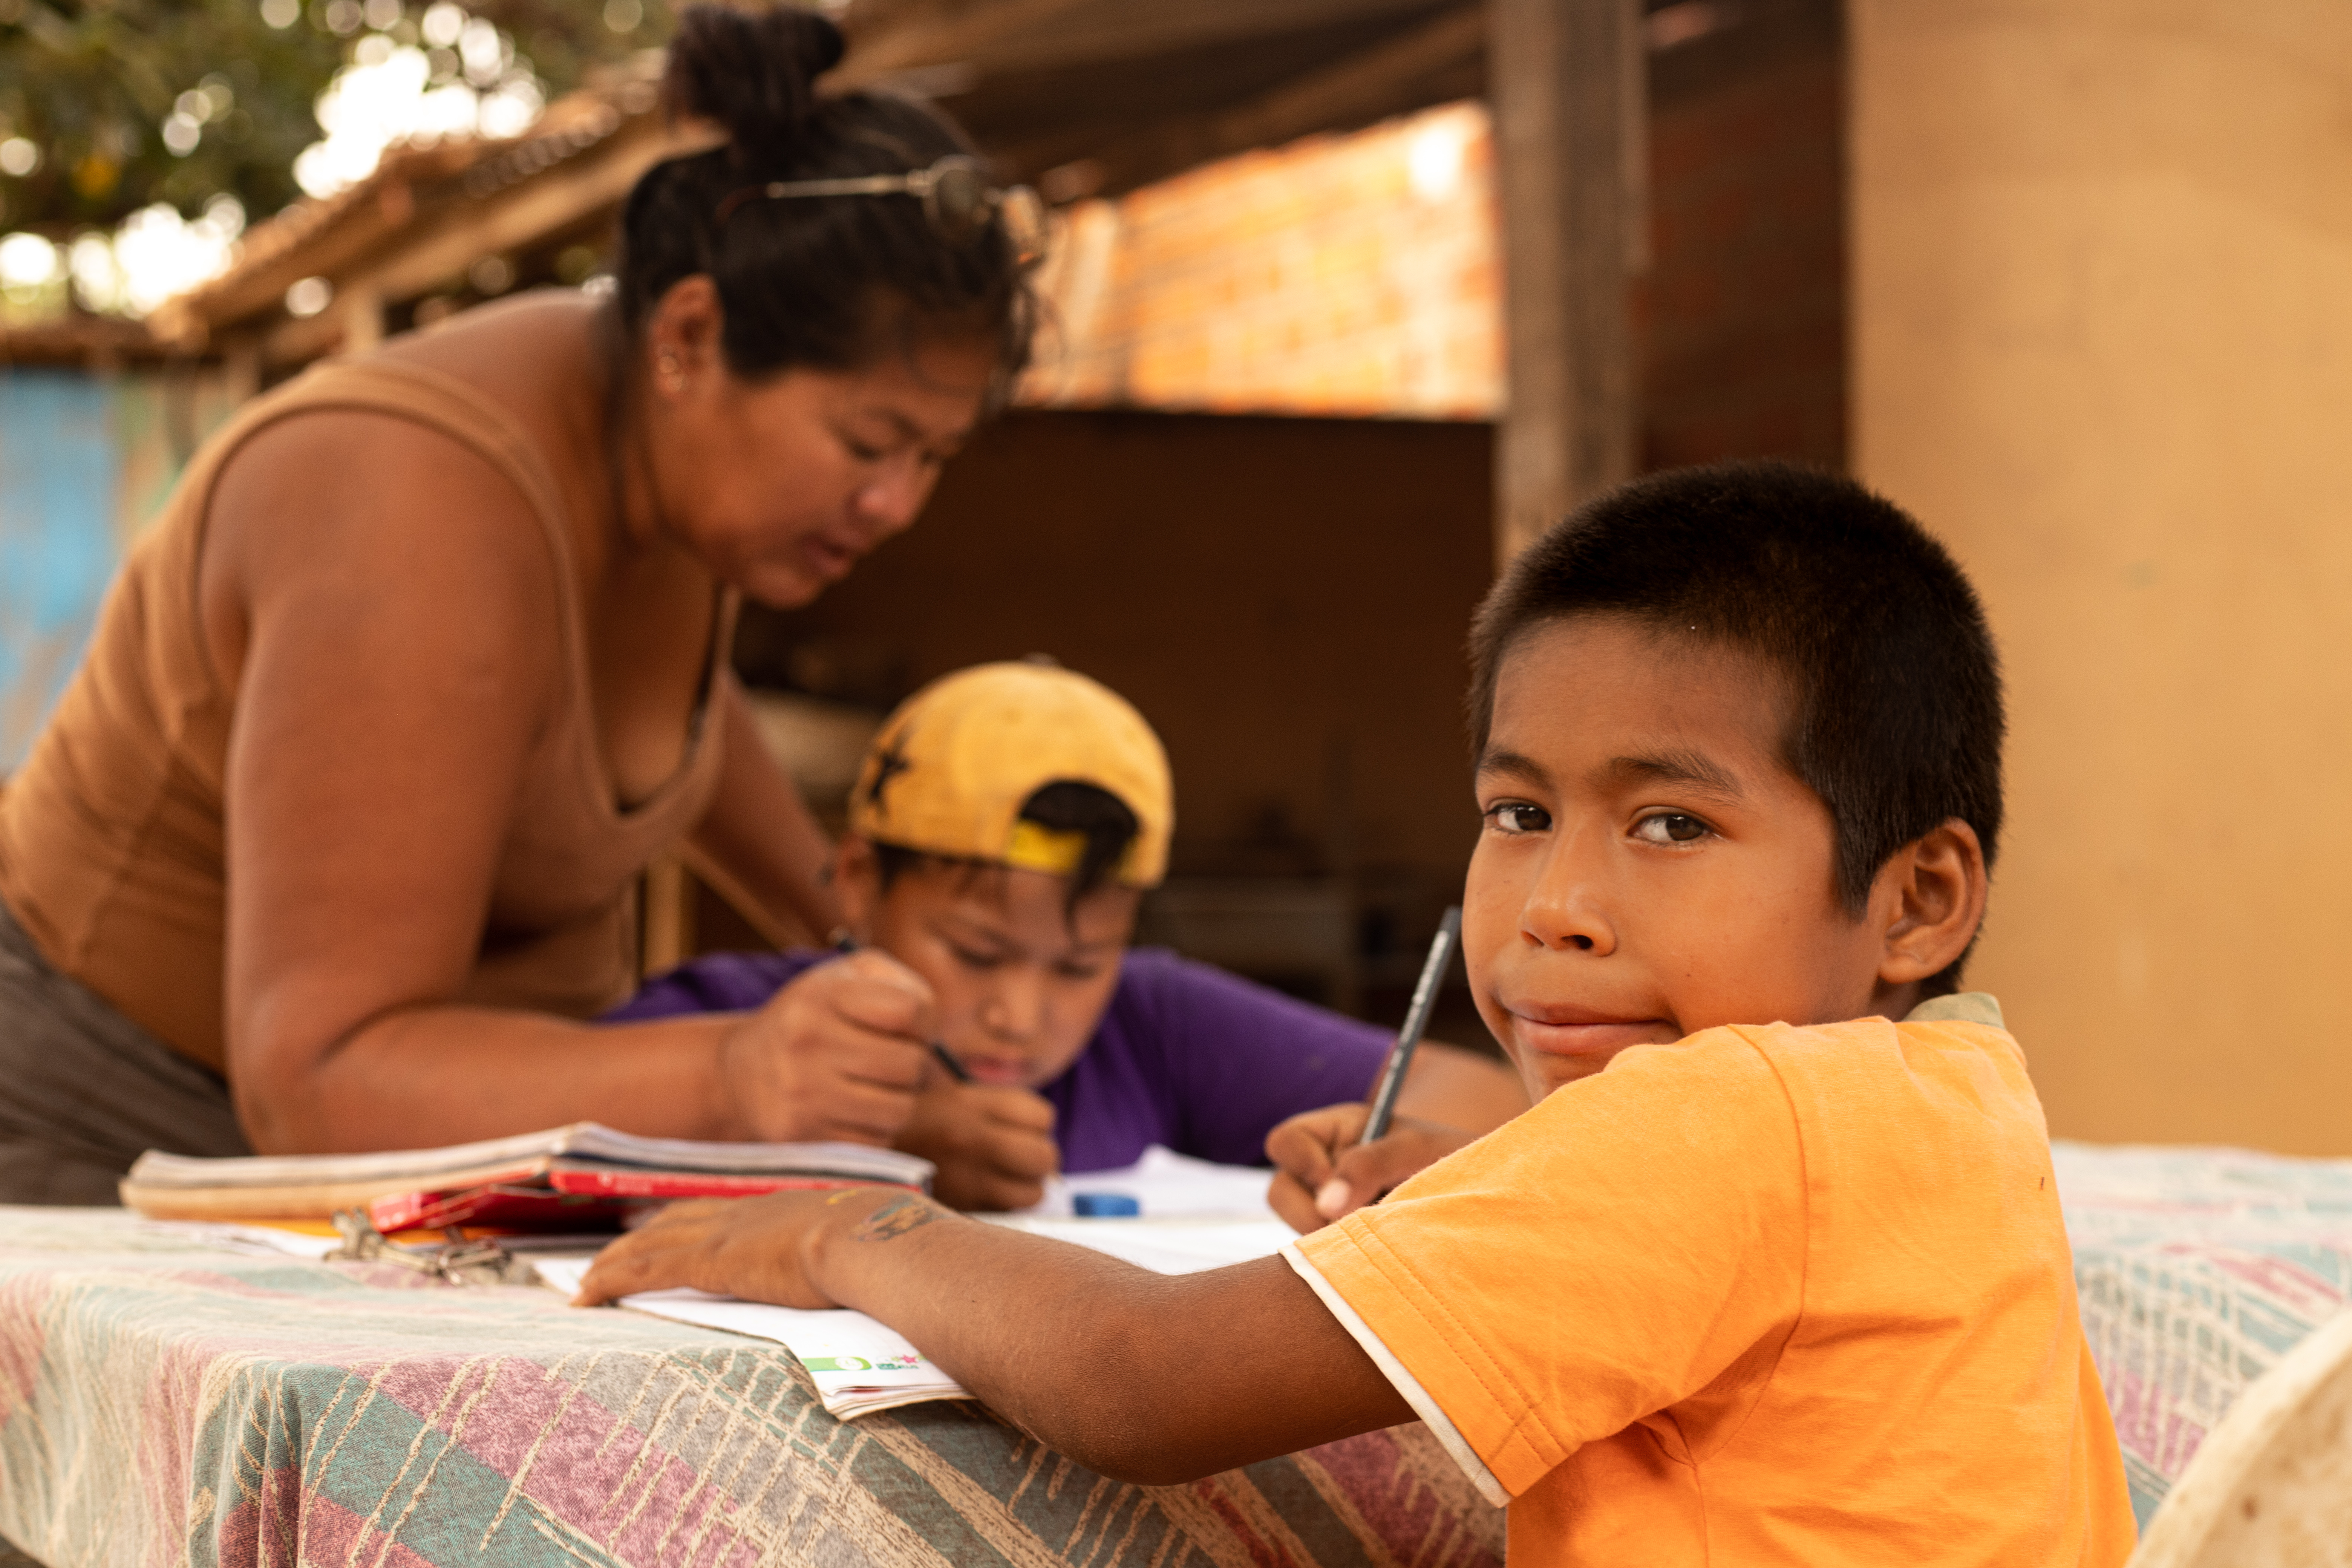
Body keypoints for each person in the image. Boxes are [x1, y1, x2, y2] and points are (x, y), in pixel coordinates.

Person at [577, 464, 2138, 1563]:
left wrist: (845, 1236)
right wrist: (1486, 1194)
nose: (1555, 904)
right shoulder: (1958, 1095)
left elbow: (1147, 1378)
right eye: (1519, 809)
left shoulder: (1730, 1113)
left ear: (1920, 897)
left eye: (1670, 823)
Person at [0, 3, 1040, 1202]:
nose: (896, 504)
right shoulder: (409, 513)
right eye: (872, 443)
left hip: (429, 1167)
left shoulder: (674, 482)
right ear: (691, 335)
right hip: (109, 1153)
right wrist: (742, 1080)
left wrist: (865, 942)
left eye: (935, 460)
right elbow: (319, 1078)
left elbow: (669, 733)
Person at [605, 660, 1527, 1210]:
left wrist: (1373, 1143)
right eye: (974, 952)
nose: (1020, 1013)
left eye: (1080, 964)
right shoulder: (736, 1016)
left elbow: (1484, 1100)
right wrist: (876, 1148)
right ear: (857, 883)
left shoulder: (1151, 1021)